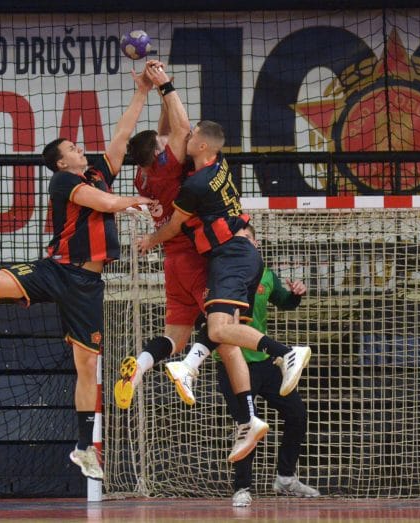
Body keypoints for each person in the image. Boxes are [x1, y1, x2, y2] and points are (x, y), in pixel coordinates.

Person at [0, 70, 156, 481]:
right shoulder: (64, 181)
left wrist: (142, 91)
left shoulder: (99, 172)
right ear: (62, 161)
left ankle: (84, 448)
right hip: (56, 268)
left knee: (87, 366)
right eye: (72, 147)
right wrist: (134, 200)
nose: (80, 148)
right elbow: (102, 203)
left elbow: (122, 134)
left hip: (87, 284)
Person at [136, 104, 311, 462]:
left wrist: (149, 240)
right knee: (218, 331)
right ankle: (218, 391)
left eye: (193, 135)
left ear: (201, 145)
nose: (185, 137)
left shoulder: (179, 180)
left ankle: (281, 357)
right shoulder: (211, 165)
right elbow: (174, 132)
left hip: (222, 255)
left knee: (219, 332)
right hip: (224, 256)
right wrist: (163, 90)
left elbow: (171, 136)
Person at [112, 60, 212, 411]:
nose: (166, 141)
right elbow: (182, 128)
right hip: (195, 255)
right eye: (162, 144)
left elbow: (166, 131)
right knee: (225, 323)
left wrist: (157, 93)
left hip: (173, 262)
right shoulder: (169, 167)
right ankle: (191, 370)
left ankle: (138, 368)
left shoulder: (143, 175)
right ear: (159, 153)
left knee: (175, 337)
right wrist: (166, 84)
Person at [222, 225, 320, 507]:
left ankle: (285, 477)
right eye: (237, 240)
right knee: (247, 424)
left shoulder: (265, 274)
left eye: (247, 239)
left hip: (264, 362)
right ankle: (242, 488)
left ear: (256, 243)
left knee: (297, 413)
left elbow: (285, 302)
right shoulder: (222, 275)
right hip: (232, 362)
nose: (242, 244)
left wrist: (296, 294)